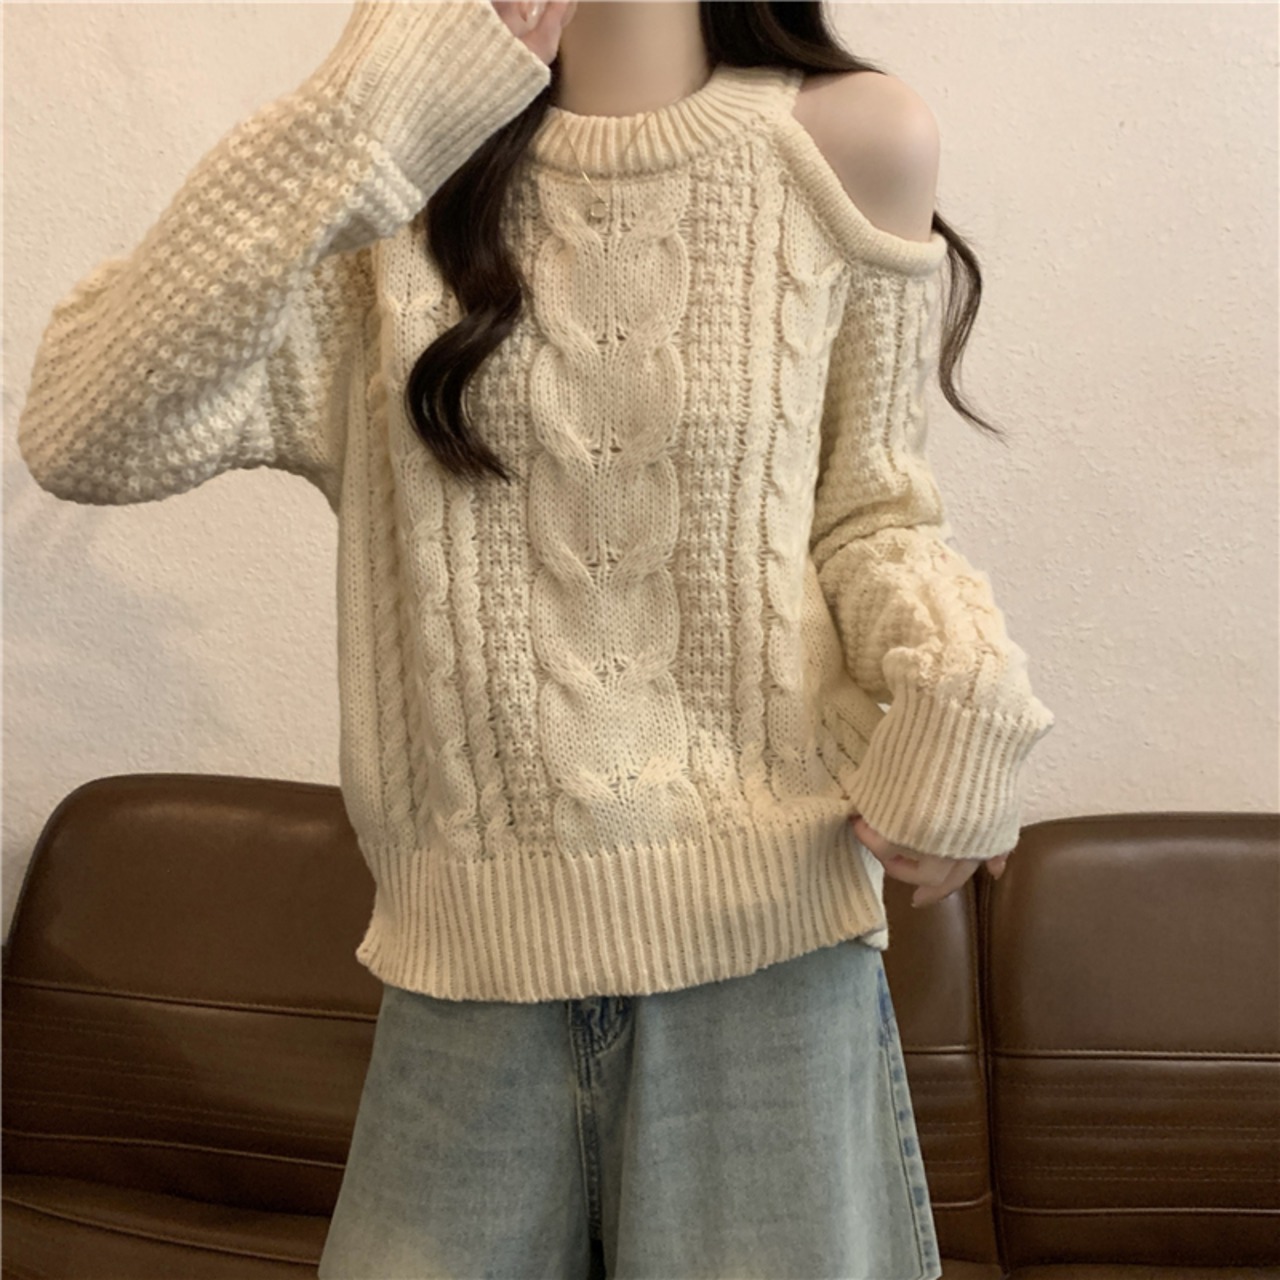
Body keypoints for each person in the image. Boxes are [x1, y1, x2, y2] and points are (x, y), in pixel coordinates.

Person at [15, 1, 1056, 1275]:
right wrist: (372, 96)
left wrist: (961, 679)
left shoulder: (850, 141)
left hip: (769, 964)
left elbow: (868, 511)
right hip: (466, 981)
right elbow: (82, 432)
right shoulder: (392, 185)